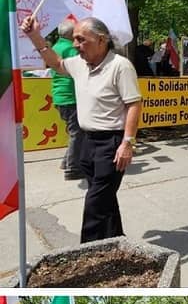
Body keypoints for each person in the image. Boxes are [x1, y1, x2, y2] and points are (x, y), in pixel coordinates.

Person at [23, 15, 141, 243]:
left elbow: (133, 104)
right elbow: (56, 63)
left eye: (81, 39)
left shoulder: (120, 66)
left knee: (95, 203)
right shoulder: (78, 63)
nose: (75, 45)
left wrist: (128, 142)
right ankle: (115, 240)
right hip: (87, 142)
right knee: (104, 198)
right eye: (75, 39)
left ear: (101, 40)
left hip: (111, 143)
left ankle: (86, 251)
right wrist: (35, 36)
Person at [51, 20, 83, 181]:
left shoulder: (56, 47)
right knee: (77, 133)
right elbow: (80, 68)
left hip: (59, 96)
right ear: (71, 34)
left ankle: (67, 161)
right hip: (71, 96)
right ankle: (73, 168)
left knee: (75, 132)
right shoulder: (71, 49)